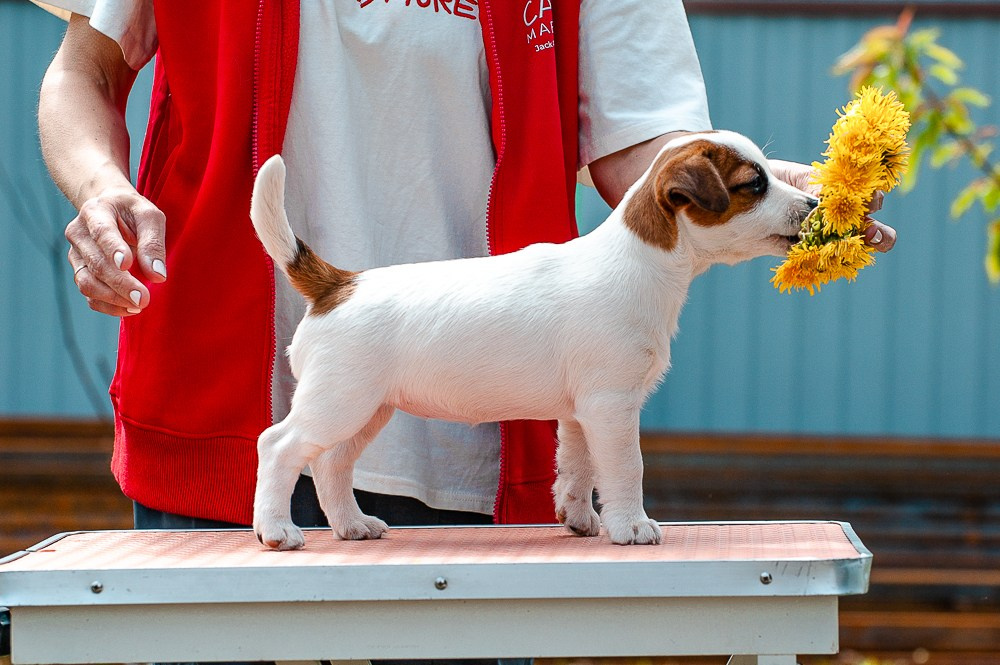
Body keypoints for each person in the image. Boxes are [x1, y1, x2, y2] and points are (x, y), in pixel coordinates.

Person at [38, 1, 896, 661]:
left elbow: (648, 153)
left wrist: (782, 199)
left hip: (475, 463)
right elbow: (85, 71)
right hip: (216, 396)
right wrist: (97, 186)